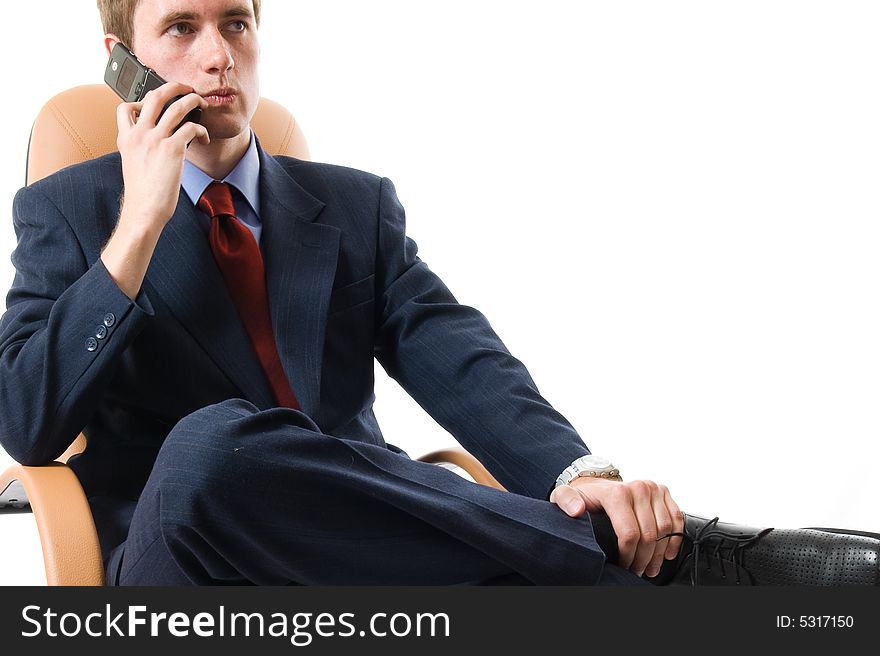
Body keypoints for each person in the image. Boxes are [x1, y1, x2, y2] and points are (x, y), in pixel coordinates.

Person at [0, 0, 876, 586]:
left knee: (404, 479)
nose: (218, 56)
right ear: (123, 63)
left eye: (237, 22)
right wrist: (138, 228)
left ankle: (624, 549)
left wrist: (584, 478)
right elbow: (26, 420)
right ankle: (677, 563)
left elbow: (456, 350)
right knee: (210, 446)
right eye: (181, 30)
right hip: (185, 555)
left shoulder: (351, 206)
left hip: (361, 551)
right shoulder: (71, 214)